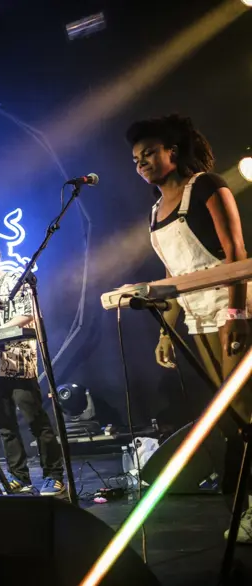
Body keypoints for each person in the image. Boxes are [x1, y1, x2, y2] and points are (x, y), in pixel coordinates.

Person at [127, 114, 252, 541]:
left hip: (232, 306)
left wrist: (237, 315)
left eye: (149, 153)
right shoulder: (154, 212)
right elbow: (174, 278)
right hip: (196, 315)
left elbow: (236, 251)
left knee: (243, 409)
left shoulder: (207, 186)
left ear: (172, 152)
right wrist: (167, 330)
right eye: (136, 159)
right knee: (228, 415)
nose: (142, 163)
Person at [0, 236, 66, 496]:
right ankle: (19, 476)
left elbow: (27, 313)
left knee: (35, 420)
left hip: (17, 362)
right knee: (4, 425)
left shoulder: (14, 280)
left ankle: (54, 475)